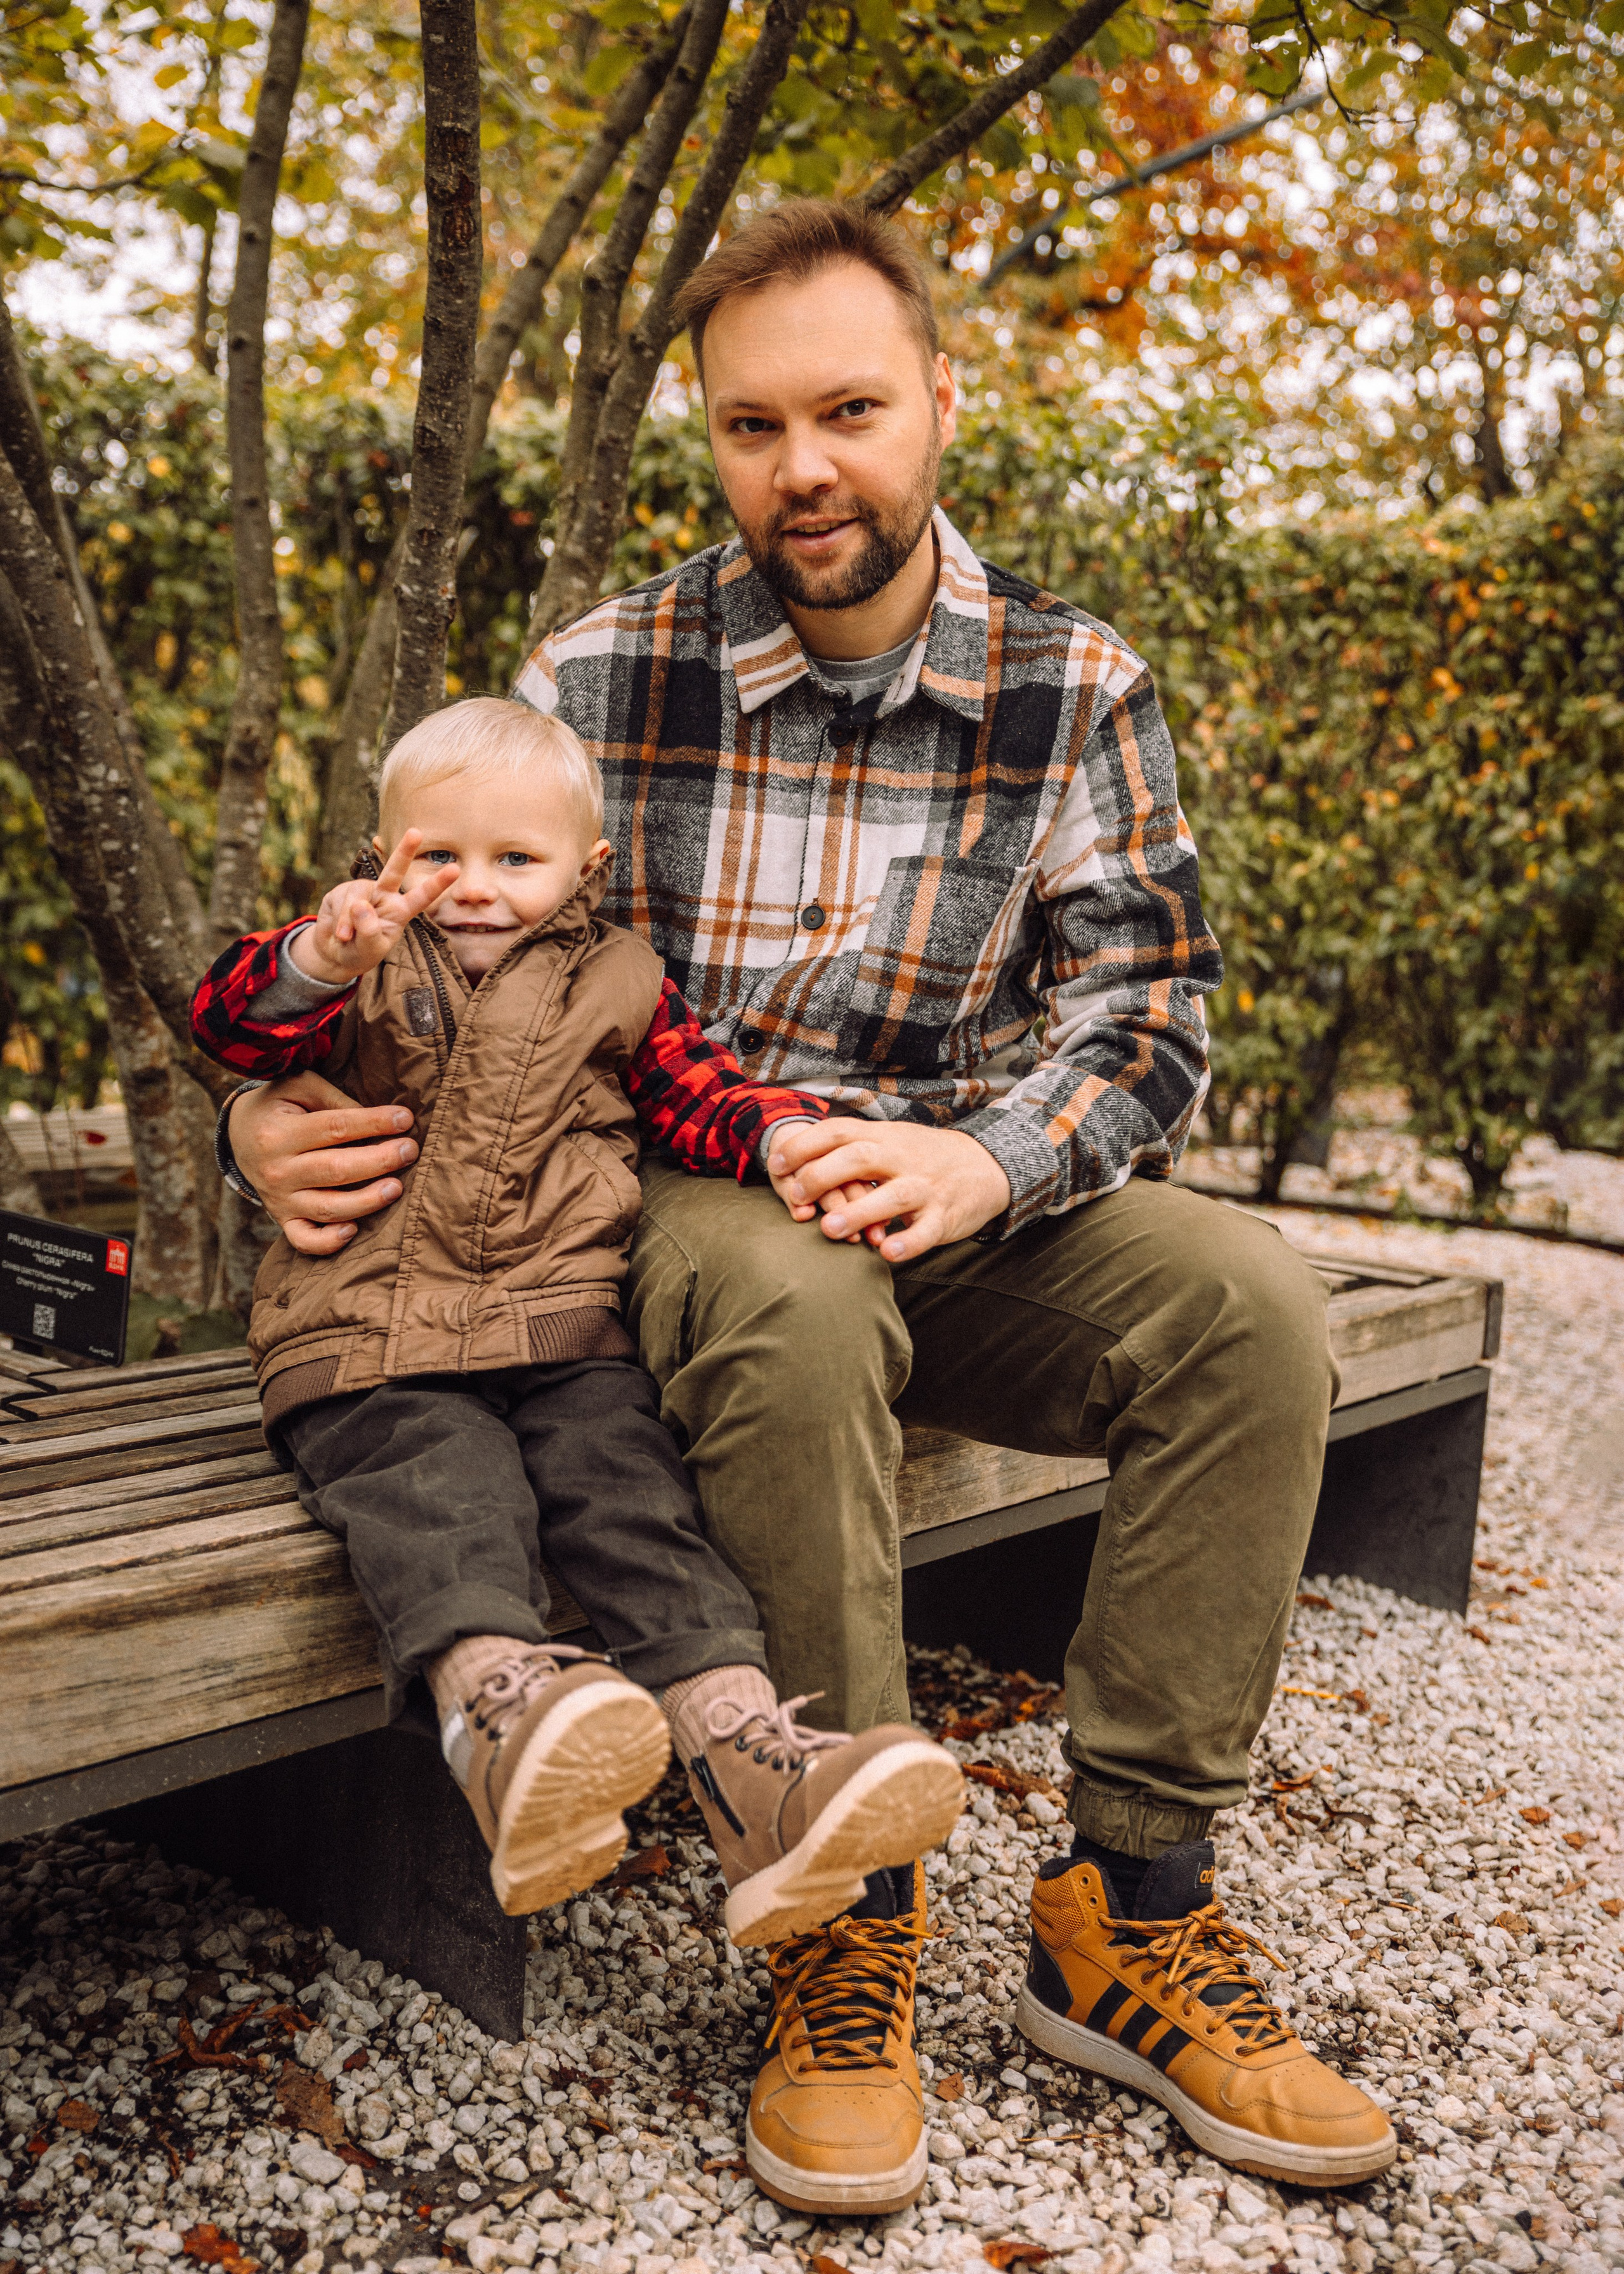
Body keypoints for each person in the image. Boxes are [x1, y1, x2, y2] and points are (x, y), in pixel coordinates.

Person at [217, 202, 1397, 2207]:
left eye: (849, 410)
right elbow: (431, 956)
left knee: (1250, 1311)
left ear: (942, 398)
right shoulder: (599, 678)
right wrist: (276, 1114)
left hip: (974, 1196)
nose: (807, 469)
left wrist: (988, 1160)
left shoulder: (1075, 685)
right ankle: (835, 1905)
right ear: (713, 434)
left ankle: (1133, 1908)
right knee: (791, 1302)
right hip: (689, 1192)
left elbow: (1149, 1015)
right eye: (755, 427)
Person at [190, 697, 966, 1973]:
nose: (475, 889)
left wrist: (777, 1140)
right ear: (381, 851)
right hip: (370, 1336)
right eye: (437, 855)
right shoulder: (359, 962)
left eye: (517, 860)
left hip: (561, 1332)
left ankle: (751, 1762)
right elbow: (232, 1025)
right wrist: (320, 957)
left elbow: (699, 1098)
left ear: (584, 869)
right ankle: (501, 1717)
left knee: (635, 1503)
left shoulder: (620, 979)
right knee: (438, 1491)